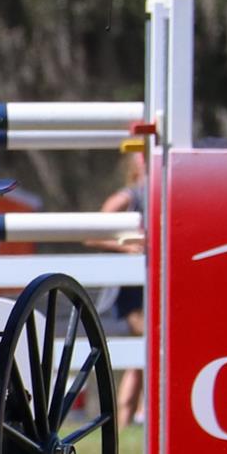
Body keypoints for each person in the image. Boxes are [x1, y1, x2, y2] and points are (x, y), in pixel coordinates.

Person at [87, 152, 147, 429]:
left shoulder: (164, 195)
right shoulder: (128, 196)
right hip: (133, 289)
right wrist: (127, 246)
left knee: (143, 355)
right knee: (147, 347)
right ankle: (127, 417)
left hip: (152, 283)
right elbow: (92, 234)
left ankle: (129, 419)